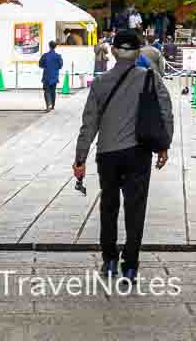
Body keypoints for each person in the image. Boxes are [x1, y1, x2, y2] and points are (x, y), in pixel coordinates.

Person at [73, 29, 174, 283]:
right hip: (139, 153)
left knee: (109, 206)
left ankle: (108, 260)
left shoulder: (100, 82)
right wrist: (164, 146)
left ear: (114, 51)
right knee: (135, 208)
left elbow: (89, 124)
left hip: (107, 154)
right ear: (139, 52)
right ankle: (130, 265)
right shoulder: (151, 78)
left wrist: (80, 158)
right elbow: (165, 112)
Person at [39, 41, 65, 111]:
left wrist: (46, 66)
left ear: (49, 46)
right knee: (53, 91)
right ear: (55, 46)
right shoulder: (58, 56)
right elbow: (60, 66)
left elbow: (40, 65)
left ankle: (48, 106)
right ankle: (53, 106)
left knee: (46, 91)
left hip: (46, 76)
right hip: (54, 76)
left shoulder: (45, 55)